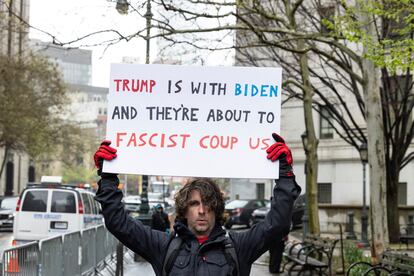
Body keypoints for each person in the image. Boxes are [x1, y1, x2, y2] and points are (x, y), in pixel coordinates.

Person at [93, 133, 301, 276]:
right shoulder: (163, 247)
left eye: (208, 204)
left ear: (217, 209)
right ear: (184, 209)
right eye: (194, 204)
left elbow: (278, 224)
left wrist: (284, 174)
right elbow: (118, 223)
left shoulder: (239, 247)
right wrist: (108, 176)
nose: (202, 211)